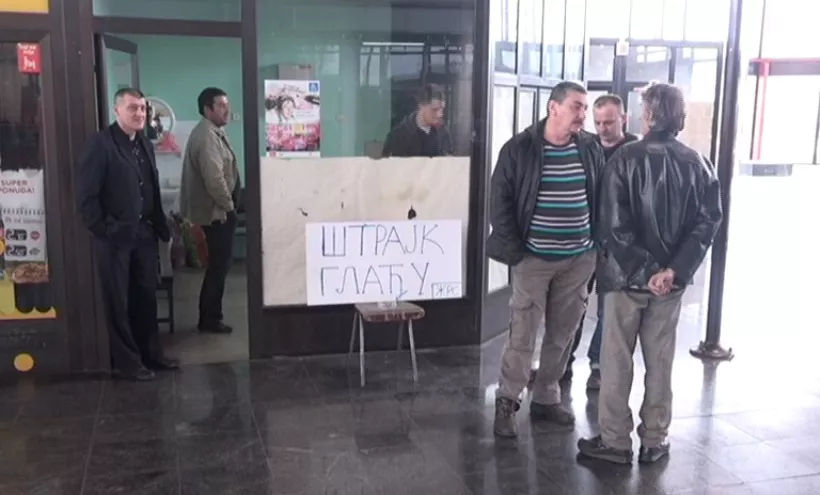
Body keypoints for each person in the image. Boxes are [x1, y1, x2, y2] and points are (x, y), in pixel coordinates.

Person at [578, 83, 722, 464]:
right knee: (660, 361)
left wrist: (646, 270)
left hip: (623, 279)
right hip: (669, 287)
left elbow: (613, 225)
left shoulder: (623, 159)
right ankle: (655, 440)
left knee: (615, 359)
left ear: (649, 115)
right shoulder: (699, 164)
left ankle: (615, 441)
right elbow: (708, 222)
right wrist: (672, 271)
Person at [487, 81, 605, 438]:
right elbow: (499, 204)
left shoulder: (589, 147)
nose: (583, 115)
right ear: (553, 108)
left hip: (579, 259)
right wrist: (517, 251)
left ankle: (546, 397)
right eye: (576, 106)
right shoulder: (520, 148)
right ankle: (508, 401)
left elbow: (600, 196)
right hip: (533, 259)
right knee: (523, 332)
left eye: (585, 108)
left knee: (563, 332)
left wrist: (596, 245)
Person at [76, 87, 177, 381]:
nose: (139, 113)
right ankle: (128, 363)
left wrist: (162, 228)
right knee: (118, 302)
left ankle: (152, 355)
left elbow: (151, 187)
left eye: (143, 108)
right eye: (132, 108)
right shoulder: (101, 145)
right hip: (114, 239)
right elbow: (86, 198)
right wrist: (104, 230)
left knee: (146, 298)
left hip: (144, 234)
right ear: (117, 110)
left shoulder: (143, 144)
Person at [565, 94, 640, 390]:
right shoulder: (587, 148)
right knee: (573, 305)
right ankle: (563, 360)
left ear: (624, 119)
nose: (602, 129)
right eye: (597, 123)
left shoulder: (636, 153)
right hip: (586, 239)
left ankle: (597, 364)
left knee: (609, 309)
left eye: (609, 122)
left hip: (618, 243)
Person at [180, 87, 241, 334]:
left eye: (227, 105)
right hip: (216, 214)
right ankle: (210, 319)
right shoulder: (206, 137)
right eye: (222, 106)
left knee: (219, 266)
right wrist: (230, 207)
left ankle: (211, 316)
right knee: (218, 267)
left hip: (219, 211)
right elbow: (215, 179)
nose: (228, 110)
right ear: (208, 109)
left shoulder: (214, 132)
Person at [381, 84, 453, 157]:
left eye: (441, 109)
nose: (439, 114)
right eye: (435, 110)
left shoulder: (443, 132)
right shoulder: (398, 136)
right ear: (421, 106)